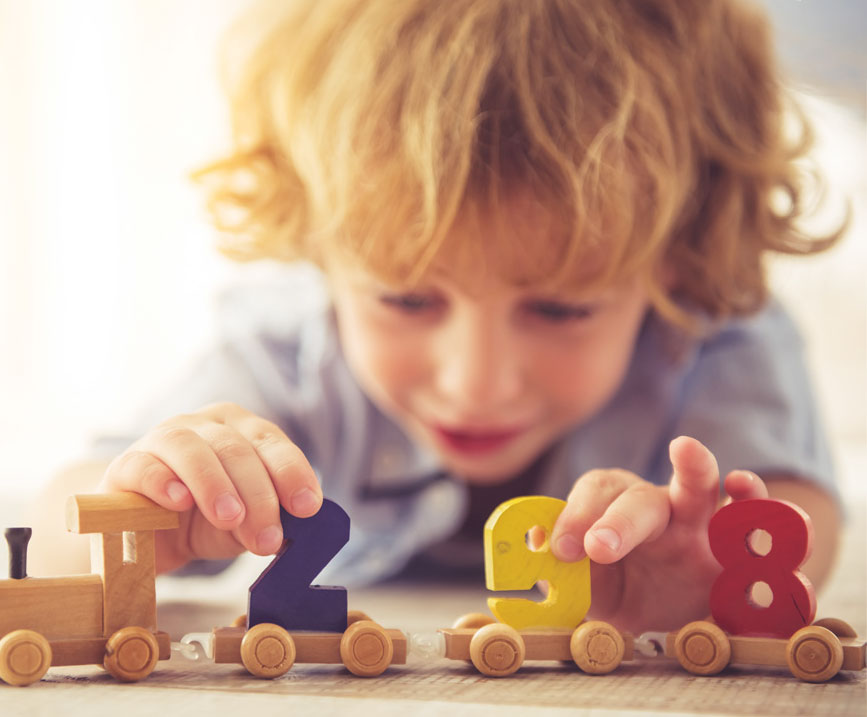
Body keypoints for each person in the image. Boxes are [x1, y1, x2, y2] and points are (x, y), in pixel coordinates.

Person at [31, 0, 844, 634]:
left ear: (679, 258)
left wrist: (711, 574)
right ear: (319, 245)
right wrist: (140, 514)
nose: (474, 381)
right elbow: (61, 513)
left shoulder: (714, 332)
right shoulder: (286, 352)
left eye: (559, 307)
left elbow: (796, 517)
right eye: (406, 297)